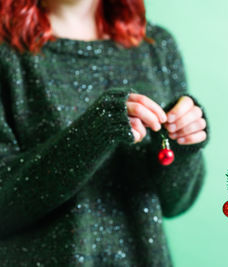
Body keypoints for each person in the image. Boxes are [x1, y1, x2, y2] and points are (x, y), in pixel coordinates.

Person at [0, 0, 208, 266]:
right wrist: (97, 130)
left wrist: (183, 144)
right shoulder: (7, 56)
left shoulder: (156, 45)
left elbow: (177, 203)